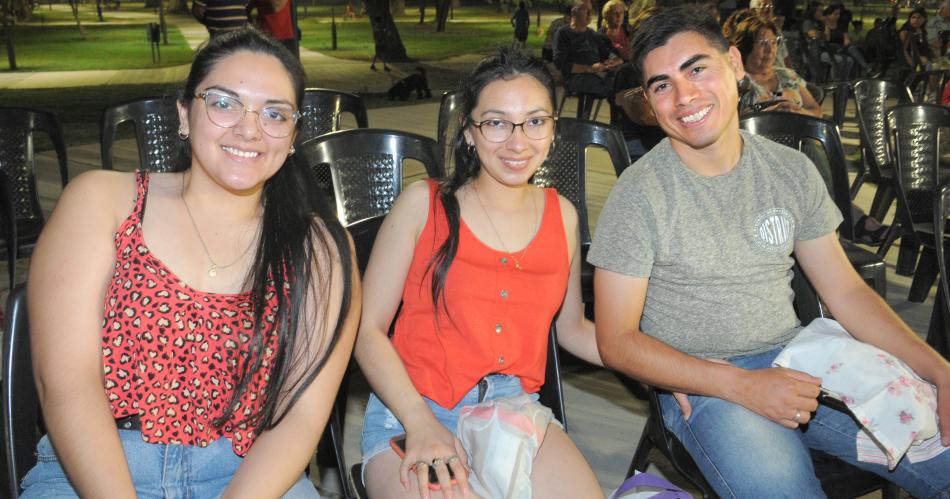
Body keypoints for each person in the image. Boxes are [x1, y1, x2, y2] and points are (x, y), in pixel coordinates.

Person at [590, 6, 950, 498]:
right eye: (661, 85)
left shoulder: (791, 170)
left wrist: (937, 371)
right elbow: (617, 340)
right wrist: (739, 385)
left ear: (734, 64)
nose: (684, 96)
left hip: (803, 360)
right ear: (650, 103)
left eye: (697, 68)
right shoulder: (640, 195)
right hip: (703, 385)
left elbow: (845, 291)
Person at [20, 29, 360, 498]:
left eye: (275, 113)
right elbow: (67, 383)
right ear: (184, 112)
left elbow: (300, 414)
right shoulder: (102, 202)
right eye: (224, 103)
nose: (249, 128)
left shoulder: (317, 247)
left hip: (246, 475)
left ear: (294, 134)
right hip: (96, 468)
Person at [356, 47, 604, 499]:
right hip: (413, 406)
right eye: (495, 122)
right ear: (469, 132)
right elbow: (366, 330)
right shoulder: (423, 205)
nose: (517, 141)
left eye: (535, 121)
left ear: (552, 129)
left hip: (514, 409)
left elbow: (573, 330)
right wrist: (419, 421)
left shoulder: (562, 215)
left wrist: (669, 369)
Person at [553, 3, 622, 118]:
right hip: (575, 78)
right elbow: (561, 63)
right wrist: (589, 69)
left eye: (591, 10)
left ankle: (617, 126)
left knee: (620, 81)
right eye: (586, 10)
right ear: (574, 11)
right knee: (596, 84)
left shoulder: (593, 34)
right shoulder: (563, 33)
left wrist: (613, 61)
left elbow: (608, 54)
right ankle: (583, 123)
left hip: (597, 76)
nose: (590, 14)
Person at [822, 3, 874, 76]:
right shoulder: (823, 25)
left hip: (842, 48)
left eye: (839, 14)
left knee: (852, 49)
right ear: (828, 15)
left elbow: (846, 39)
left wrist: (848, 43)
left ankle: (865, 69)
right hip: (830, 49)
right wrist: (827, 24)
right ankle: (866, 69)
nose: (838, 16)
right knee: (852, 54)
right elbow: (827, 39)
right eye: (835, 14)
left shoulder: (841, 25)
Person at [900, 7, 934, 71]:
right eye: (913, 17)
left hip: (923, 56)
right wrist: (913, 64)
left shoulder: (923, 31)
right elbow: (904, 50)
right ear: (909, 19)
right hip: (910, 58)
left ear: (924, 19)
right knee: (929, 64)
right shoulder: (905, 32)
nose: (916, 20)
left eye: (919, 17)